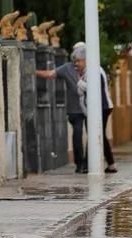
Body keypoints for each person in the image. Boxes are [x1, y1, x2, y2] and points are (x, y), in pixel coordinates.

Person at [37, 42, 117, 174]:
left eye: (78, 60)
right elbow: (52, 74)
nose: (76, 63)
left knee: (95, 134)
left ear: (85, 59)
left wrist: (80, 84)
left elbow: (92, 89)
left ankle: (91, 163)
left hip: (99, 108)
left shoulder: (93, 70)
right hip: (82, 109)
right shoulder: (78, 69)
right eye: (75, 60)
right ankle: (87, 164)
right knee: (90, 134)